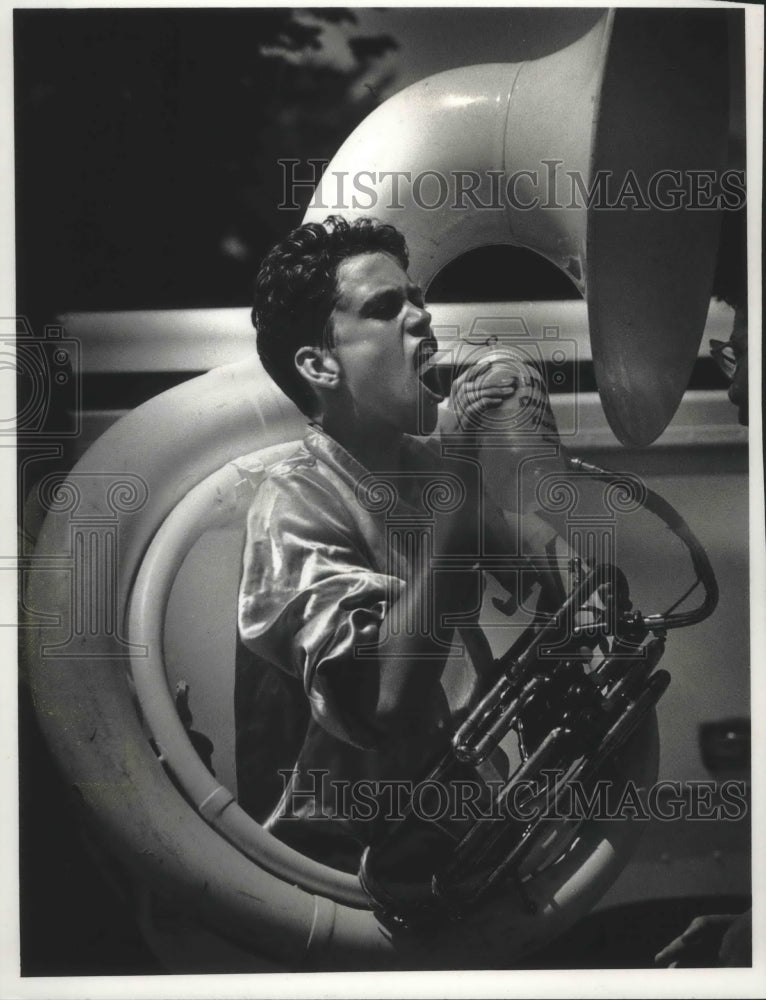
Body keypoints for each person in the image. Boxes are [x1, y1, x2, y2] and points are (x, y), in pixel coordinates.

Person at [235, 215, 577, 875]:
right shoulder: (291, 504)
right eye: (387, 307)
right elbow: (384, 703)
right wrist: (460, 496)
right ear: (319, 364)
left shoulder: (421, 465)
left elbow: (528, 553)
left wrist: (555, 557)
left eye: (417, 298)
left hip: (450, 835)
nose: (422, 318)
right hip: (344, 869)